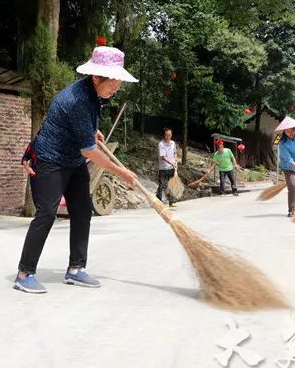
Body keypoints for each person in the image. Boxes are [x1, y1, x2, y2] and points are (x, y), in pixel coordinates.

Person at [14, 46, 139, 294]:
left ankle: (75, 269)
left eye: (118, 82)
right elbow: (90, 152)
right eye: (113, 82)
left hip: (72, 160)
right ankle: (24, 273)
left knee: (83, 211)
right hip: (50, 160)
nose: (116, 87)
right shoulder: (78, 99)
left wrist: (92, 131)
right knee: (47, 213)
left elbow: (81, 128)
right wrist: (121, 172)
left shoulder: (93, 95)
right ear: (96, 77)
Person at [156, 127, 178, 208]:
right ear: (164, 135)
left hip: (171, 168)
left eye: (170, 134)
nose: (169, 136)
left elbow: (175, 152)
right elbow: (163, 157)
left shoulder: (173, 143)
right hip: (163, 168)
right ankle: (158, 200)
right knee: (161, 185)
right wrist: (172, 163)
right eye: (167, 135)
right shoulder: (161, 144)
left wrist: (175, 160)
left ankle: (171, 202)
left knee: (170, 185)